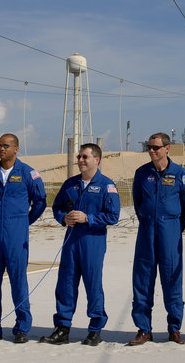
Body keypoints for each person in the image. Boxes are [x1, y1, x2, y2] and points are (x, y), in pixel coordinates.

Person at [40, 143, 120, 347]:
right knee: (66, 283)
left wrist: (88, 218)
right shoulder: (70, 184)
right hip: (71, 240)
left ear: (97, 160)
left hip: (92, 241)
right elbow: (57, 207)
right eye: (79, 157)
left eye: (85, 157)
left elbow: (113, 215)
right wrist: (63, 218)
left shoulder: (106, 185)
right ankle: (62, 328)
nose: (81, 161)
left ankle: (95, 329)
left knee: (93, 285)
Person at [0, 133, 47, 343]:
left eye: (6, 146)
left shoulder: (27, 173)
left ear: (16, 149)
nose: (1, 149)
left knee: (18, 280)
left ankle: (22, 328)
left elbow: (40, 201)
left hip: (17, 232)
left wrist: (24, 221)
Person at [128, 132, 185, 345]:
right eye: (149, 147)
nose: (152, 151)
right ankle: (143, 329)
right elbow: (138, 202)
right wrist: (148, 220)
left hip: (170, 233)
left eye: (156, 147)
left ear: (167, 148)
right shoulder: (141, 173)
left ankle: (174, 329)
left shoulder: (180, 174)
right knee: (142, 280)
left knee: (172, 279)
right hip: (146, 232)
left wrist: (175, 226)